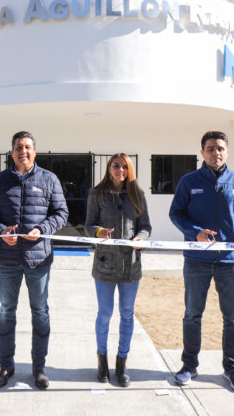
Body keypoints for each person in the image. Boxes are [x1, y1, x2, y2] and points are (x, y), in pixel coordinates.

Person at [169, 131, 234, 393]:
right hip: (197, 261)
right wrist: (194, 231)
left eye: (220, 148)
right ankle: (189, 366)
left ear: (227, 152)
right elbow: (176, 213)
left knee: (233, 318)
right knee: (192, 315)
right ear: (202, 153)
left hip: (230, 262)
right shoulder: (189, 181)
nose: (215, 153)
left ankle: (232, 369)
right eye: (210, 149)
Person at [0, 131, 68, 390]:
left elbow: (61, 213)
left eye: (28, 147)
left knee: (40, 312)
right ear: (12, 152)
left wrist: (42, 229)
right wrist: (0, 230)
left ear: (35, 151)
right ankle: (6, 366)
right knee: (6, 312)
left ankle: (39, 368)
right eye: (19, 147)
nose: (23, 151)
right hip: (7, 259)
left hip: (38, 260)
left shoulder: (49, 179)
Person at [85, 153, 151, 387]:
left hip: (130, 266)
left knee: (126, 313)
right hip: (104, 264)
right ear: (109, 168)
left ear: (129, 169)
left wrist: (140, 238)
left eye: (124, 166)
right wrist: (98, 232)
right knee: (105, 314)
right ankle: (101, 360)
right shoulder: (97, 193)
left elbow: (146, 227)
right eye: (116, 166)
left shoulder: (138, 194)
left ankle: (121, 363)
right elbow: (88, 225)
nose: (120, 170)